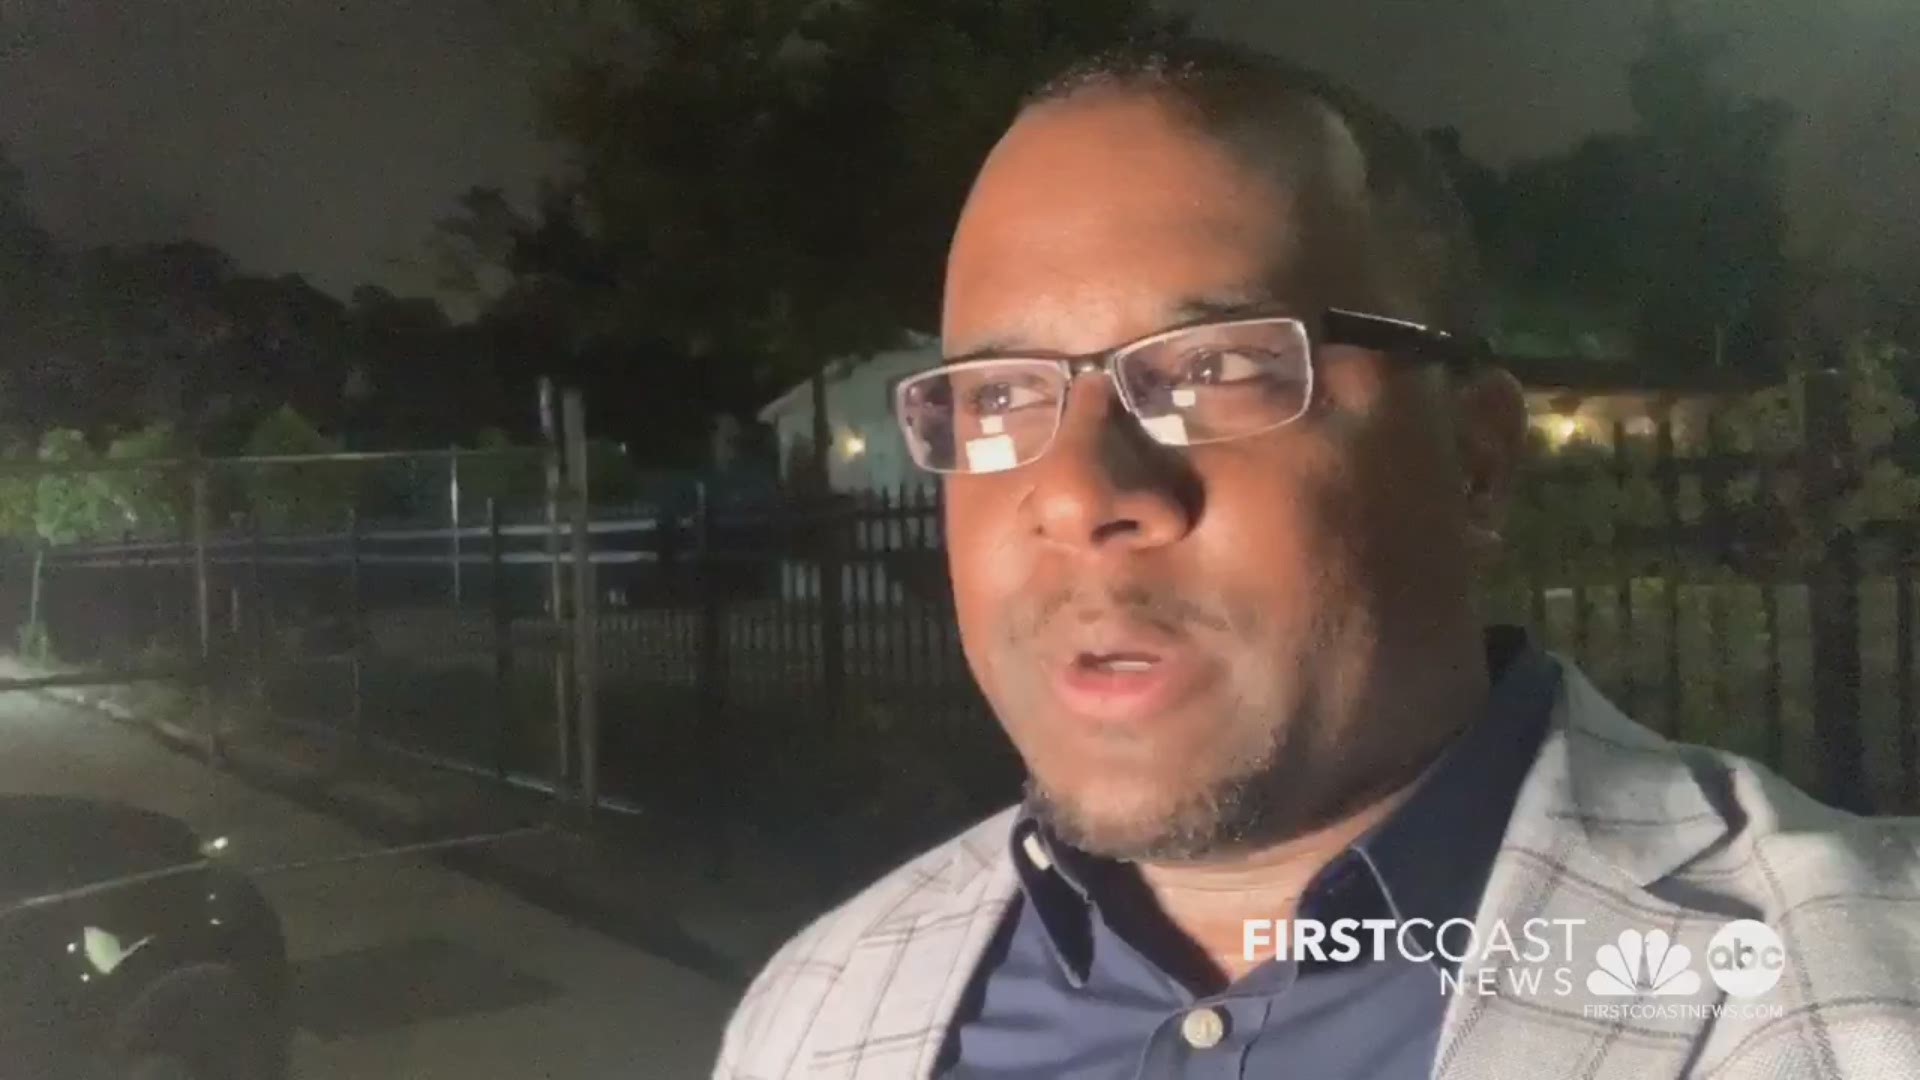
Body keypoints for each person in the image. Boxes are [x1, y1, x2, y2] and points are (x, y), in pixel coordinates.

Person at [714, 37, 1920, 1080]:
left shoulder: (1865, 998)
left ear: (1477, 460)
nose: (1078, 493)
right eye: (997, 397)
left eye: (1215, 369)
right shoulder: (814, 1013)